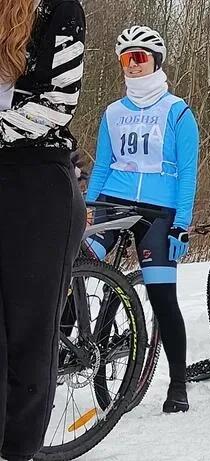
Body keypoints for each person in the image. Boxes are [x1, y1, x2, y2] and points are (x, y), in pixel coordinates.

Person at [85, 25, 200, 413]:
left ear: (156, 62)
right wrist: (86, 208)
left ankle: (178, 384)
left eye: (139, 57)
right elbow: (103, 166)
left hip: (157, 211)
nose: (132, 65)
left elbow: (188, 173)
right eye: (125, 59)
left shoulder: (178, 112)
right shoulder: (113, 113)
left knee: (162, 296)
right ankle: (62, 353)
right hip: (112, 201)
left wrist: (181, 223)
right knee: (73, 266)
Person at [0, 0, 86, 459]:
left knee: (28, 337)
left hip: (34, 184)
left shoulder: (58, 10)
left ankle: (17, 451)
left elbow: (56, 105)